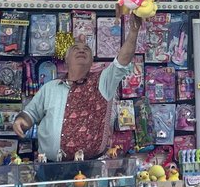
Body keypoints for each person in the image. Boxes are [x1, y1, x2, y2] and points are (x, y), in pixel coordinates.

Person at [12, 14, 141, 161]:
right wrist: (21, 120)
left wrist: (133, 32)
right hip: (49, 166)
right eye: (75, 48)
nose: (82, 50)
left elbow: (122, 61)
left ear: (92, 60)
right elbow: (30, 113)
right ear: (66, 59)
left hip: (89, 166)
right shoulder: (50, 88)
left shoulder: (102, 82)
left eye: (86, 49)